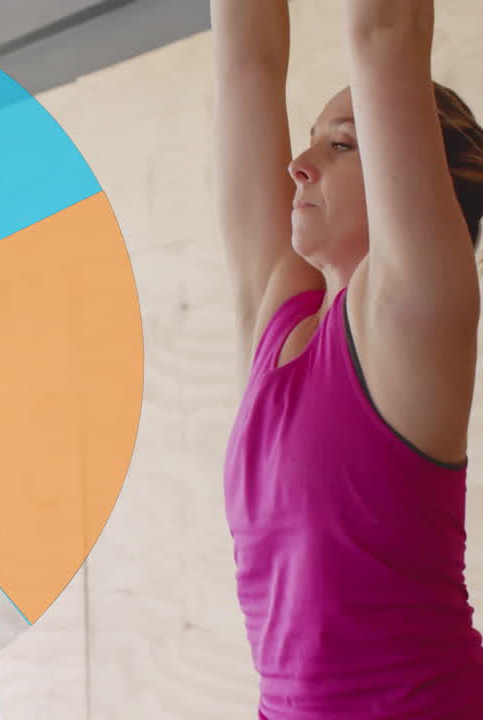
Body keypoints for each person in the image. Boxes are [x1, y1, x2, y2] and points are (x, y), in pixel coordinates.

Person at [214, 1, 483, 717]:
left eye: (342, 145)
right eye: (313, 143)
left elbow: (384, 30)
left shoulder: (415, 307)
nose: (298, 167)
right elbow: (247, 63)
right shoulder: (278, 316)